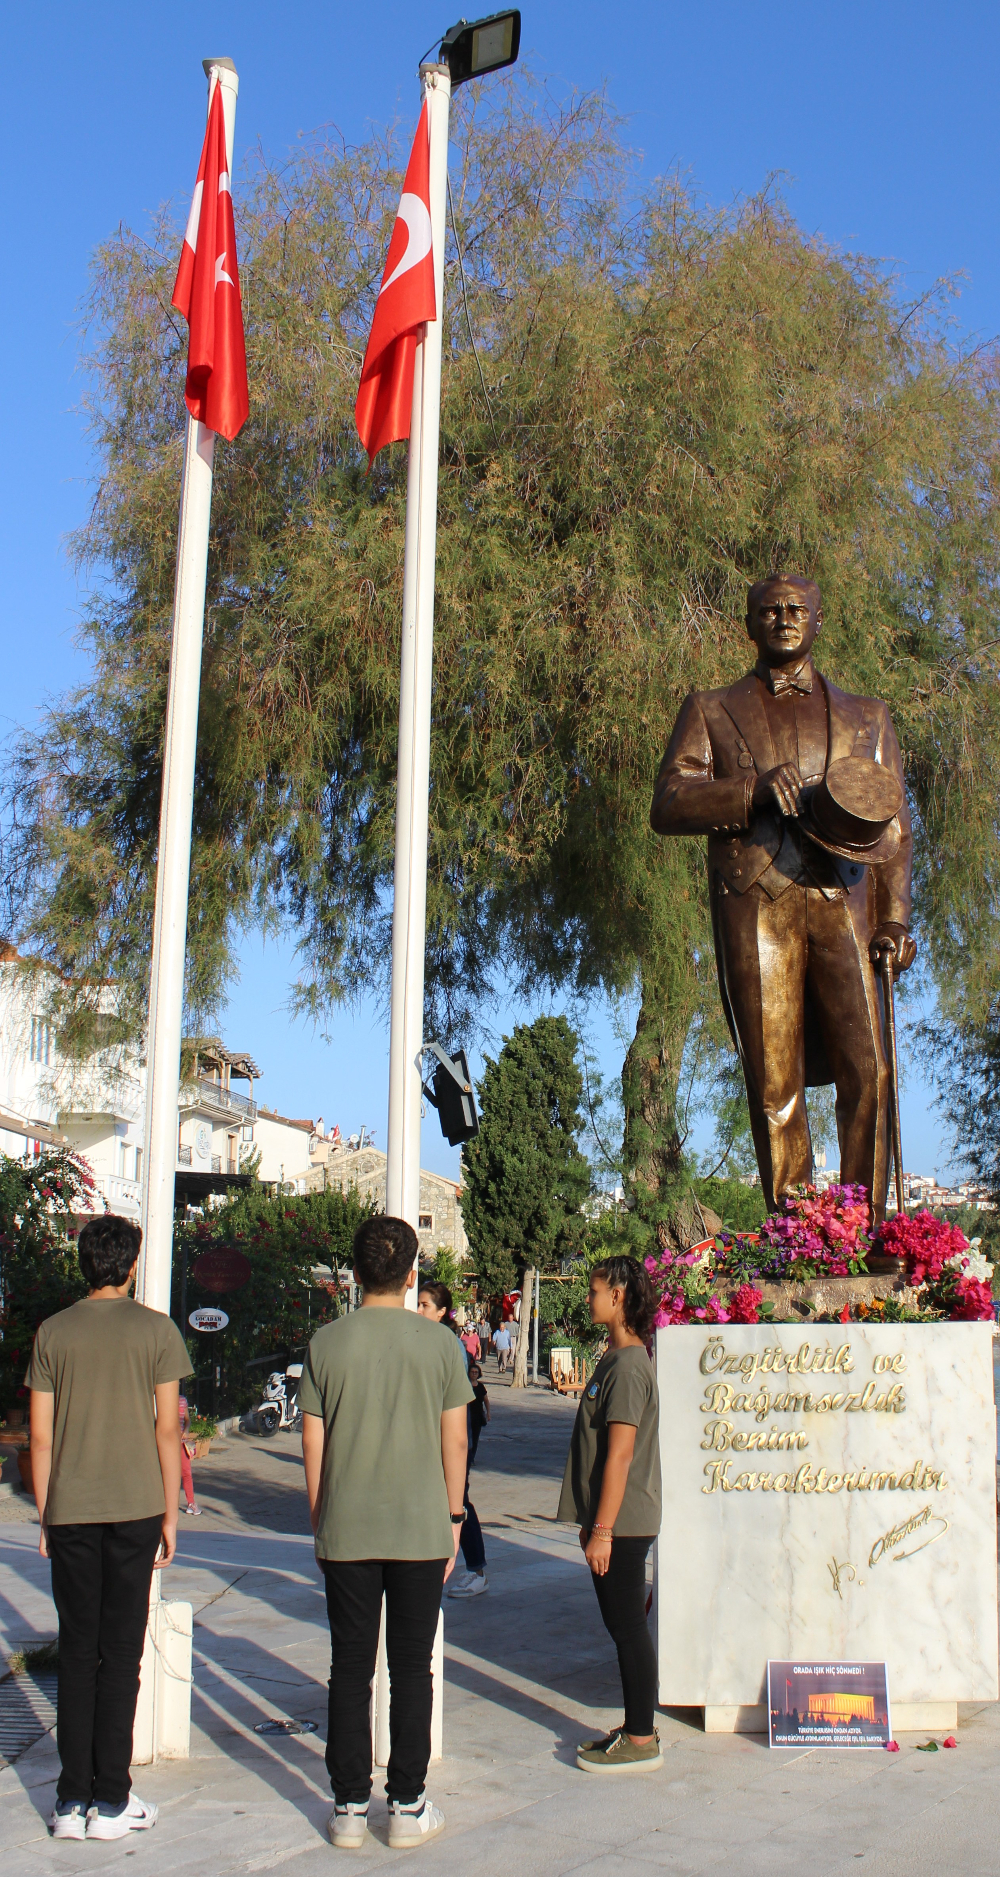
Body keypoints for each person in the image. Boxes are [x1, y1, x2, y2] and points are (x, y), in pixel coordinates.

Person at [651, 573, 916, 1217]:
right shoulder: (711, 709)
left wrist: (896, 919)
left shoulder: (867, 715)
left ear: (819, 620)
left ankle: (864, 1224)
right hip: (759, 900)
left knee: (870, 1069)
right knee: (775, 1079)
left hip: (845, 899)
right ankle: (797, 1230)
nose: (784, 619)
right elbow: (668, 802)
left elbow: (895, 828)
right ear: (749, 624)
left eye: (797, 609)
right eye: (769, 611)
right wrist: (750, 793)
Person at [300, 1219, 473, 1850]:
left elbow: (312, 1439)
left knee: (348, 1667)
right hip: (420, 1528)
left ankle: (348, 1805)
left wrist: (321, 1514)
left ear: (355, 1271)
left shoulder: (326, 1343)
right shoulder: (439, 1346)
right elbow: (455, 1438)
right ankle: (406, 1802)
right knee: (411, 1669)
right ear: (411, 1274)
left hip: (346, 1523)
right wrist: (454, 1517)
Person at [28, 1214, 191, 1840]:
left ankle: (71, 1803)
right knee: (122, 1653)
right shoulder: (157, 1331)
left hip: (70, 1506)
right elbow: (166, 1429)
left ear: (82, 1262)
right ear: (131, 1264)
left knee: (77, 1649)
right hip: (135, 1506)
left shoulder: (52, 1332)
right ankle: (113, 1801)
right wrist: (171, 1511)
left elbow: (40, 1436)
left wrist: (48, 1511)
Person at [557, 1255, 662, 1774]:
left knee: (627, 1630)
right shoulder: (616, 1360)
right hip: (613, 1521)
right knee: (622, 1627)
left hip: (623, 1523)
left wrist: (602, 1530)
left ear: (618, 1296)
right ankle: (636, 1725)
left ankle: (641, 1737)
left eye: (595, 1290)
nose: (589, 1298)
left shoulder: (628, 1367)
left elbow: (620, 1453)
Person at [418, 1282, 487, 1600]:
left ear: (442, 1311)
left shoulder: (449, 1346)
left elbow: (454, 1403)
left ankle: (476, 1570)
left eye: (425, 1306)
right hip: (431, 1439)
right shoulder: (425, 1340)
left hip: (453, 1439)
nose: (419, 1311)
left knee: (459, 1500)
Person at [178, 1393, 202, 1517]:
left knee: (186, 1473)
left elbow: (187, 1419)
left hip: (181, 1443)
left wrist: (186, 1429)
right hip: (168, 1443)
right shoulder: (161, 1398)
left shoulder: (182, 1400)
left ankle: (191, 1503)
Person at [467, 1362, 490, 1466]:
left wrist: (488, 1413)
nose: (474, 1374)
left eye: (476, 1372)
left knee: (475, 1438)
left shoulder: (480, 1386)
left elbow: (486, 1400)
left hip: (478, 1416)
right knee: (467, 1438)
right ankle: (466, 1457)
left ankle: (471, 1458)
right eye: (472, 1372)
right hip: (466, 1416)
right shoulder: (465, 1385)